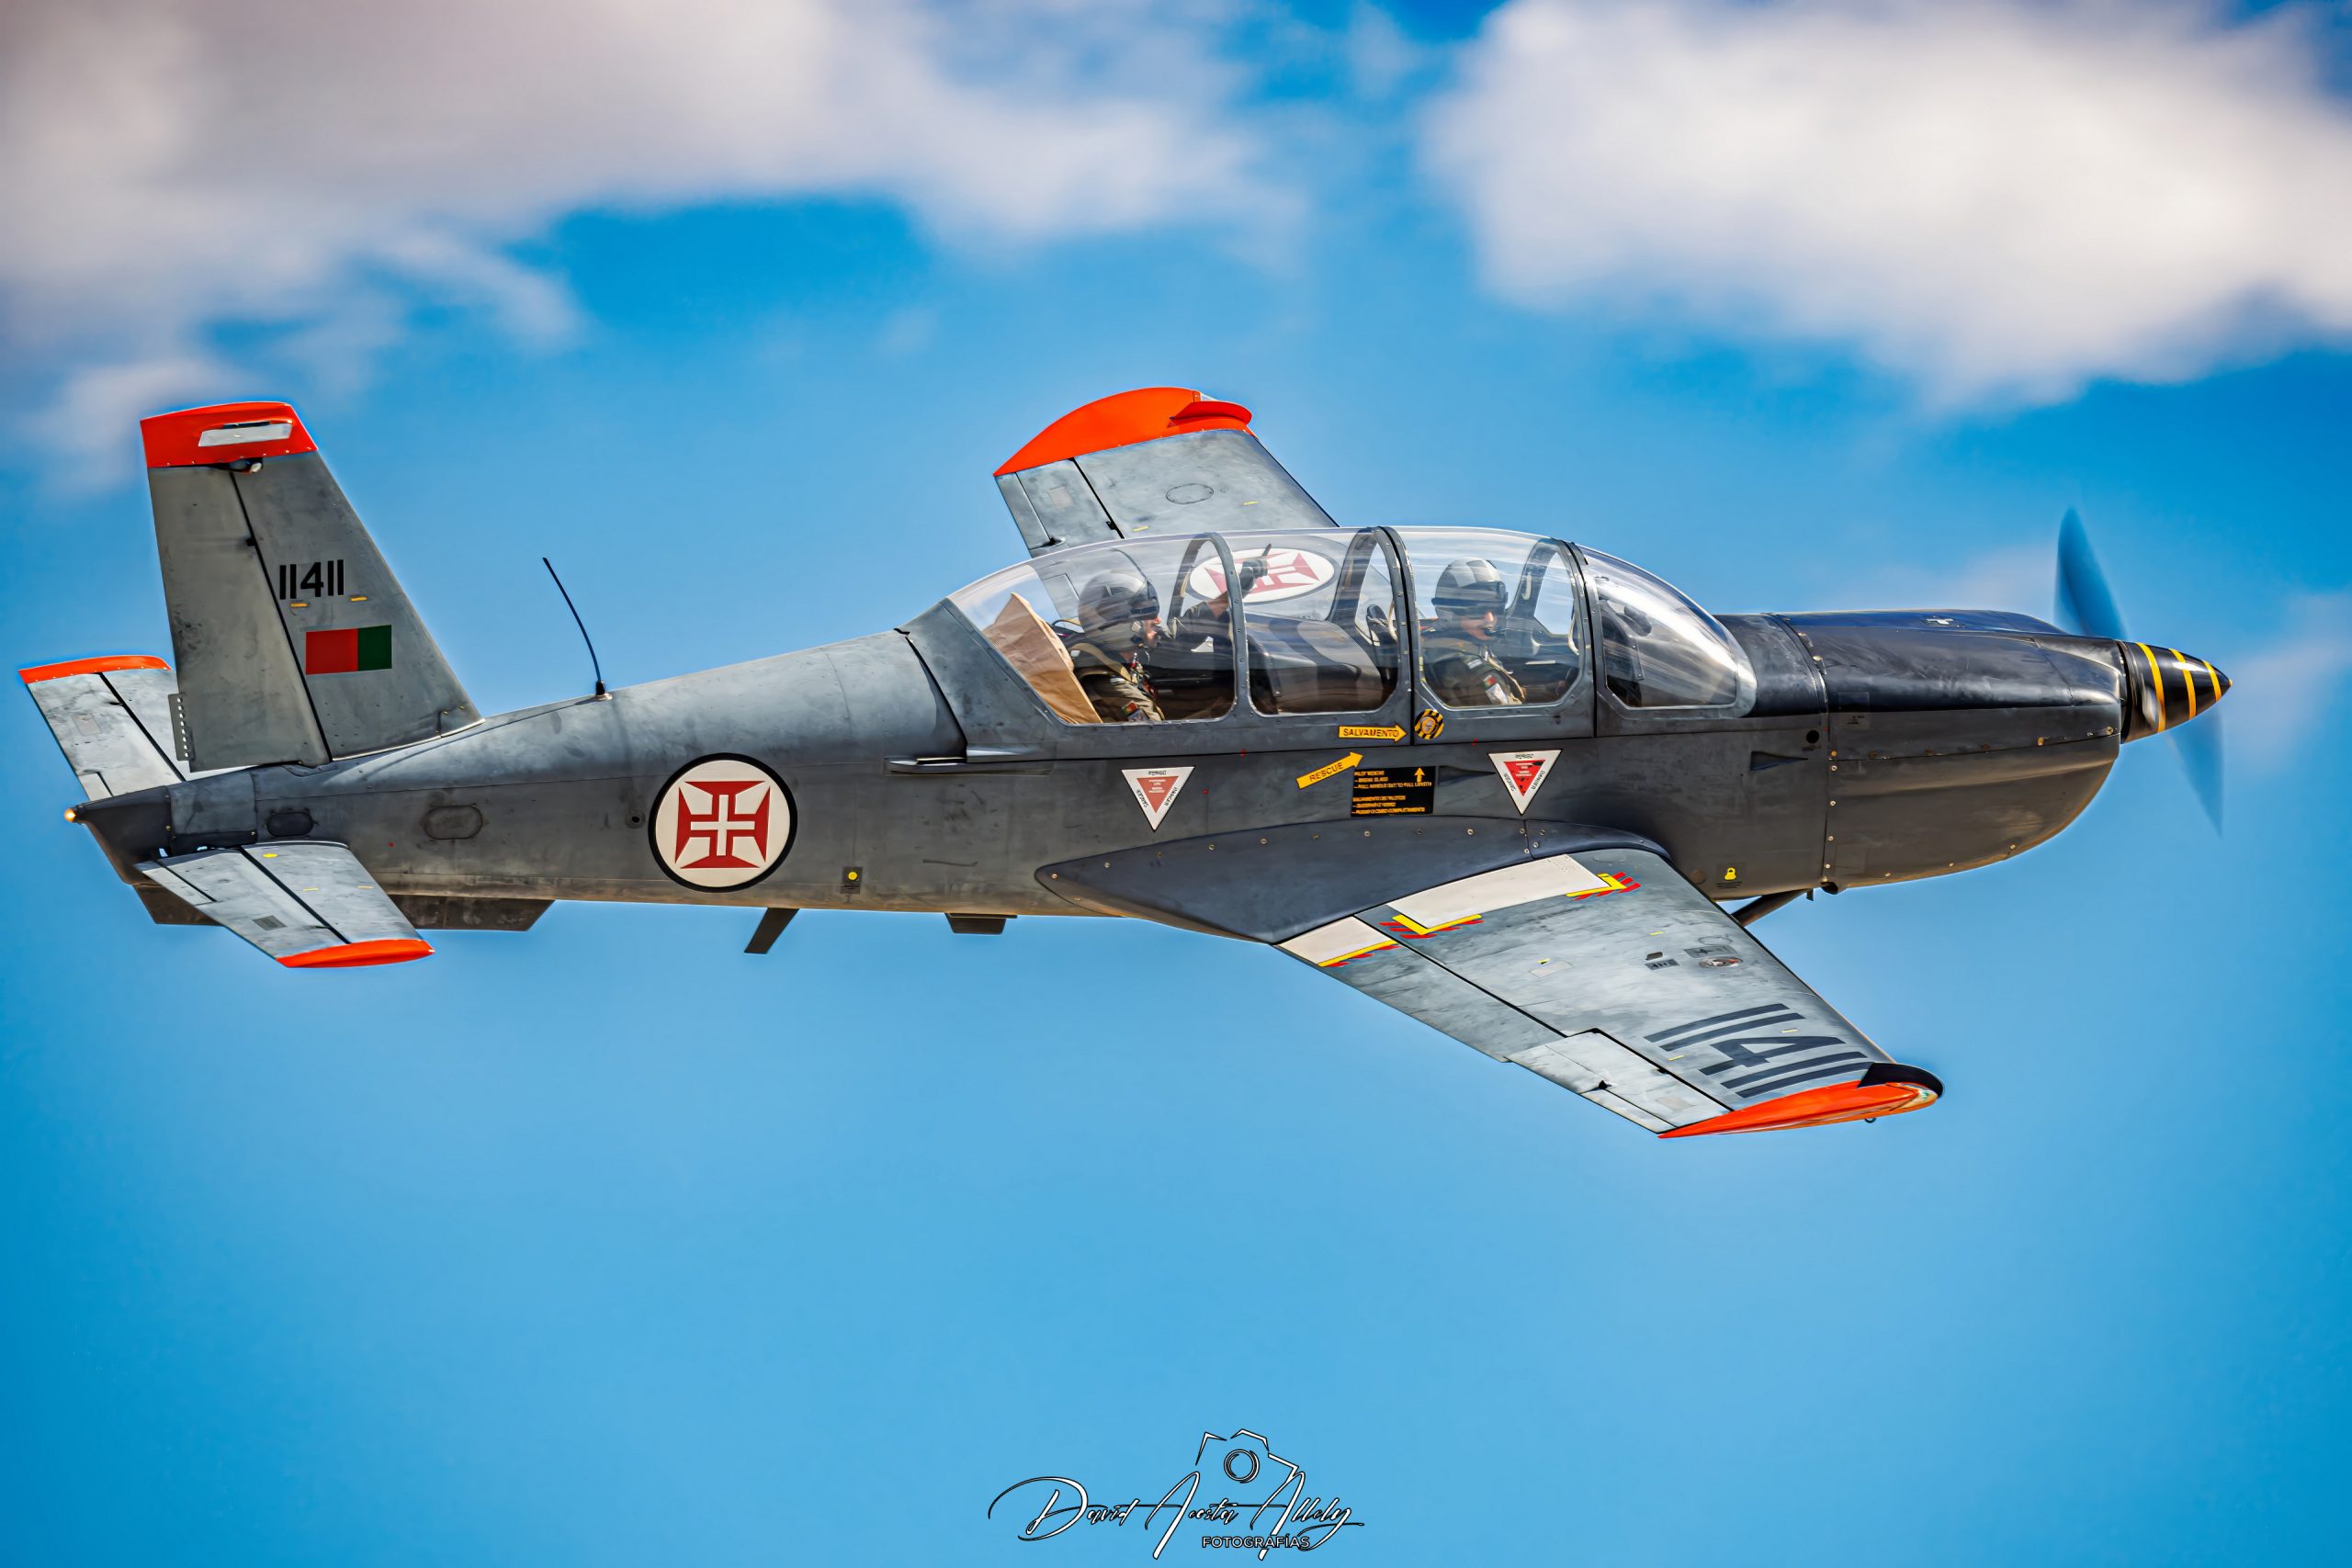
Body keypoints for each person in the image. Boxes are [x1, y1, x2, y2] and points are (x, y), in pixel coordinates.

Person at [1062, 571, 1166, 722]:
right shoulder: (1108, 684)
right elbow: (1156, 731)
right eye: (1147, 611)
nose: (1157, 620)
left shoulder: (1120, 661)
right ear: (1120, 623)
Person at [1421, 557, 1527, 706]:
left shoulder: (1438, 644)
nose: (1490, 619)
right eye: (1478, 610)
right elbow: (1510, 714)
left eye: (1496, 608)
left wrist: (1547, 689)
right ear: (1450, 613)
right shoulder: (1473, 671)